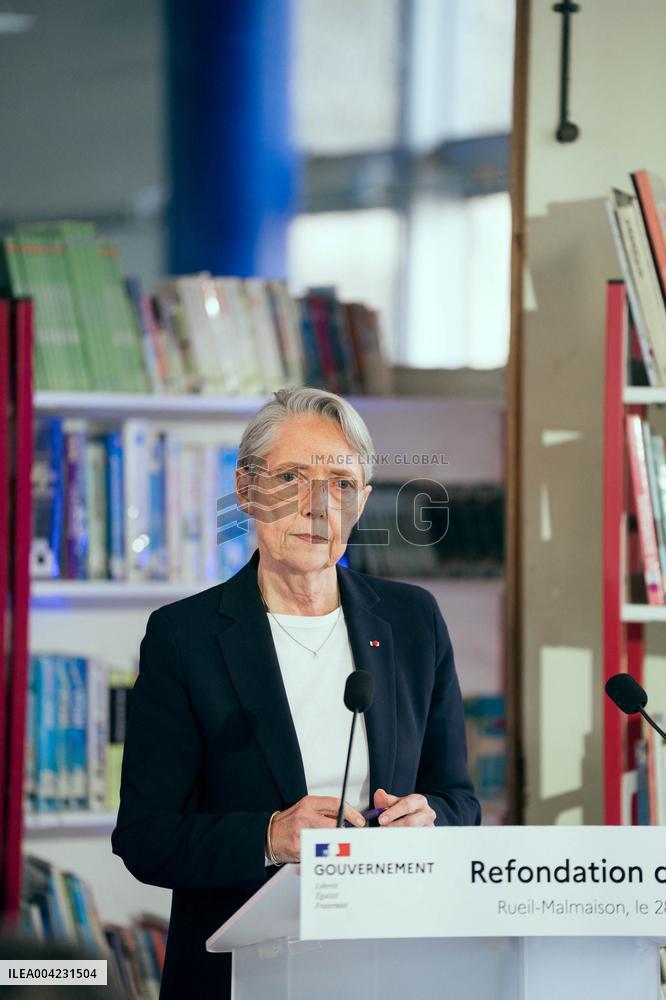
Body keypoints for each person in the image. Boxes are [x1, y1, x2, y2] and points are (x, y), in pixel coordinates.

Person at [111, 386, 480, 1000]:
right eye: (291, 477)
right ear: (247, 490)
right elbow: (145, 836)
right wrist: (269, 836)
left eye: (340, 483)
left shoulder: (414, 621)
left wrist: (431, 820)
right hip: (239, 975)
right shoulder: (185, 637)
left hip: (391, 964)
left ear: (362, 501)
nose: (317, 505)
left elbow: (459, 801)